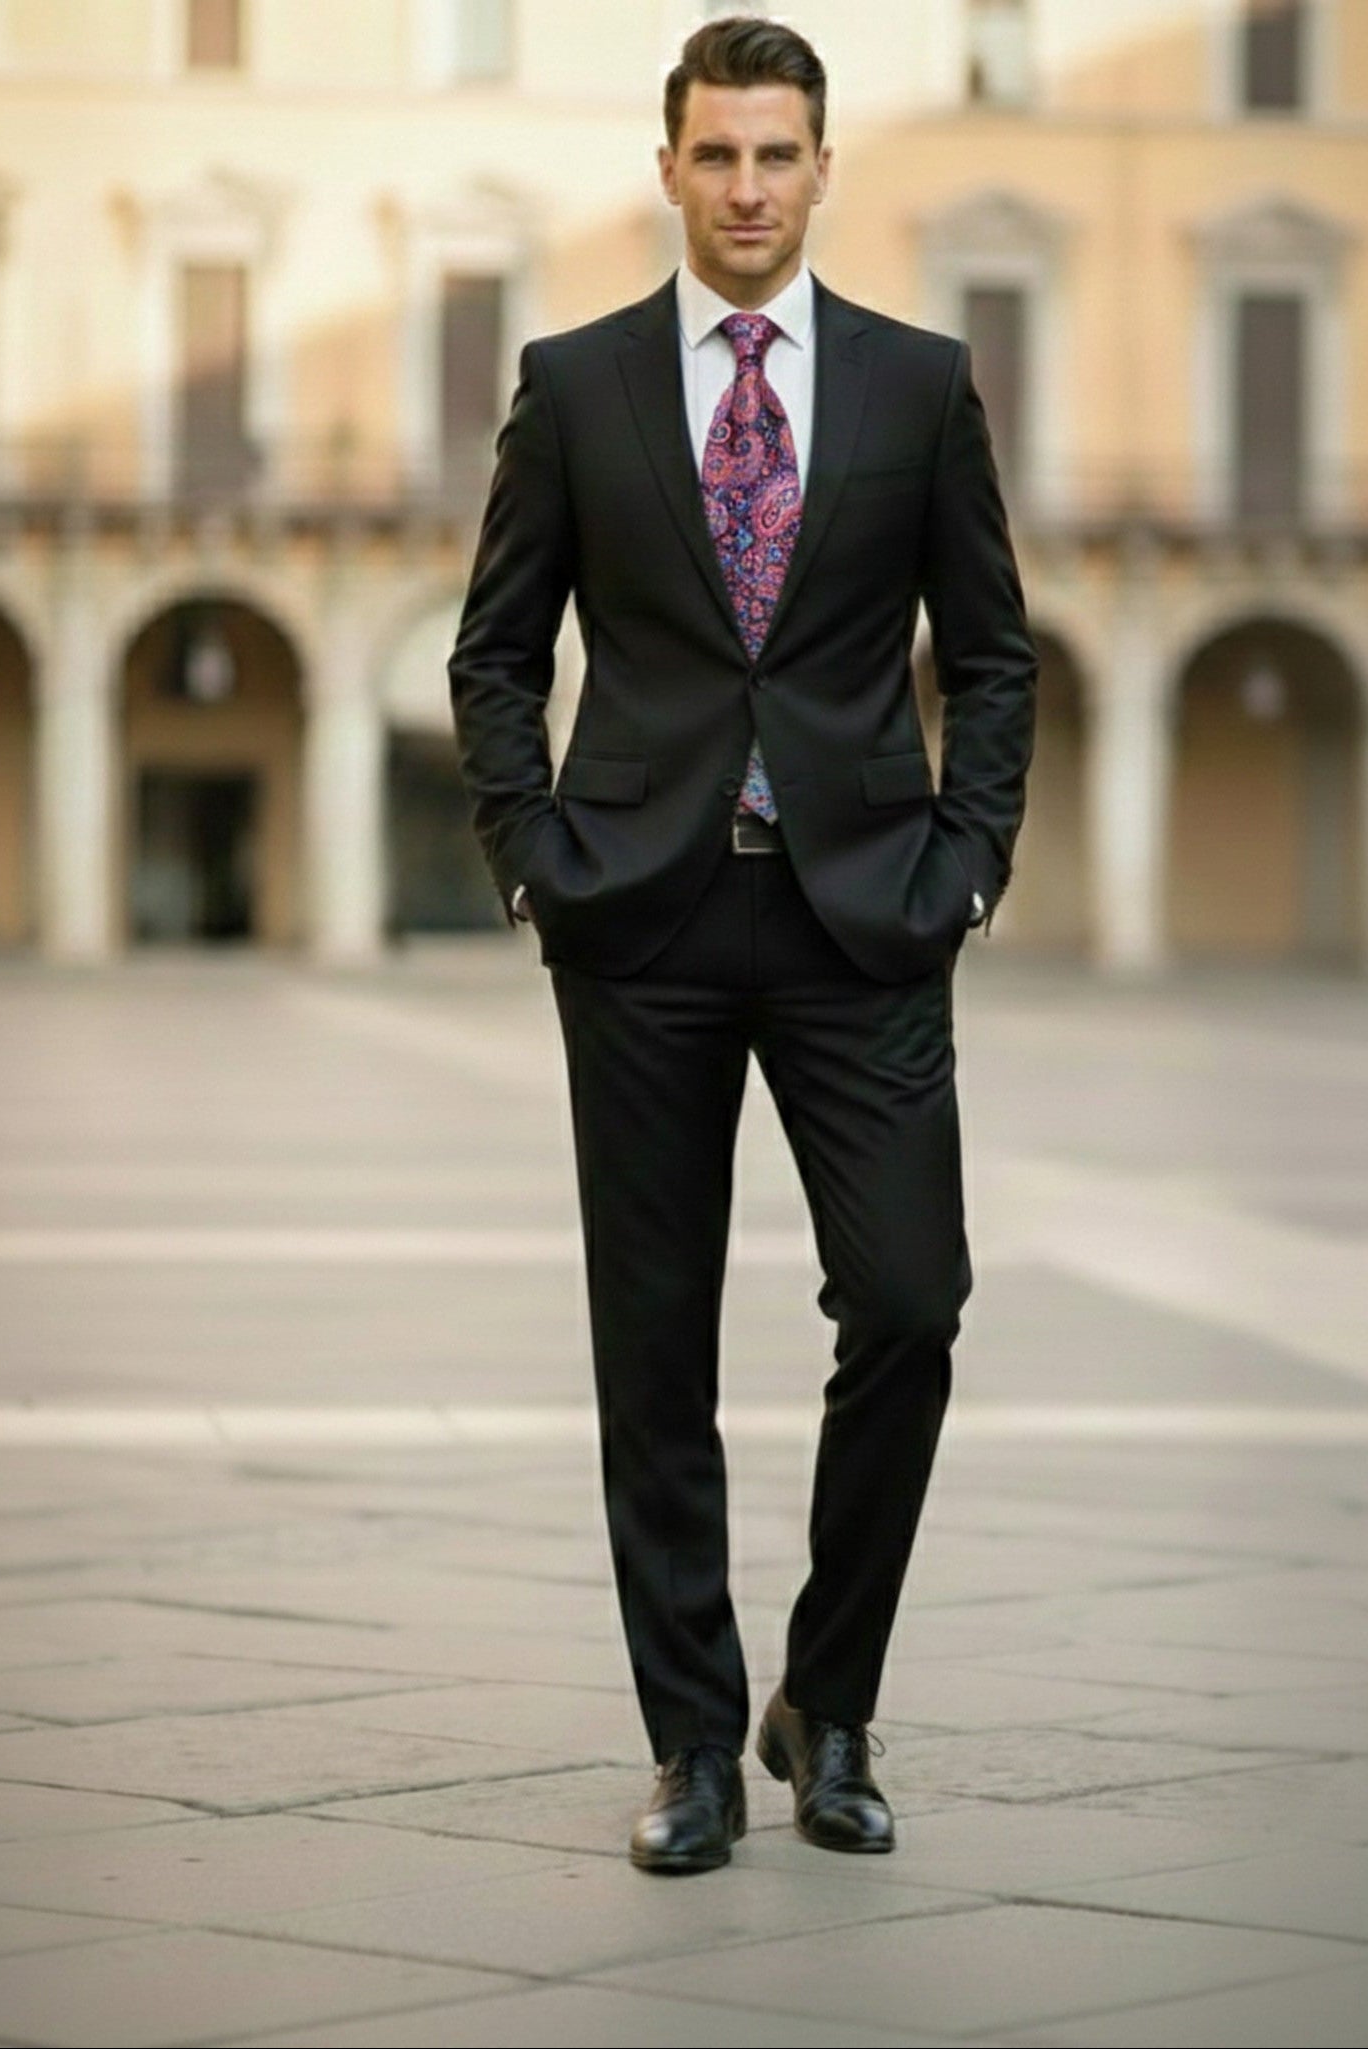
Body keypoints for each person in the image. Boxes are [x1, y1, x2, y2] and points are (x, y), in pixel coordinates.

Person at [449, 14, 1036, 1874]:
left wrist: (966, 865)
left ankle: (829, 1699)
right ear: (671, 169)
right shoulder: (579, 379)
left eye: (779, 154)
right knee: (654, 1343)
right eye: (718, 154)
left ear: (823, 167)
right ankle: (694, 1743)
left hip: (866, 916)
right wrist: (537, 853)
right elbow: (493, 650)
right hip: (645, 915)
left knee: (915, 1303)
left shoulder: (920, 385)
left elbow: (995, 655)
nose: (750, 187)